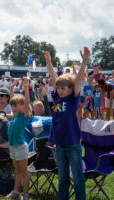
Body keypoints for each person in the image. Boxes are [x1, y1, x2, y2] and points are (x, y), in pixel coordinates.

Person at [44, 47, 90, 200]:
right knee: (62, 178)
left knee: (78, 179)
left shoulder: (73, 98)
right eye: (58, 88)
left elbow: (77, 80)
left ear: (71, 89)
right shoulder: (57, 98)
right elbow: (53, 76)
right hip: (59, 145)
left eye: (63, 88)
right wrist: (49, 61)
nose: (60, 90)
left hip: (73, 145)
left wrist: (84, 61)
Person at [6, 77, 31, 200]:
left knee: (24, 171)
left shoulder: (24, 115)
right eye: (13, 106)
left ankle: (25, 193)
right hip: (12, 146)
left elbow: (27, 102)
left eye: (16, 106)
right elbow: (12, 99)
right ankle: (16, 191)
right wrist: (12, 87)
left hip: (20, 146)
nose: (14, 108)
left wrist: (26, 87)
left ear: (23, 106)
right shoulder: (15, 115)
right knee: (18, 171)